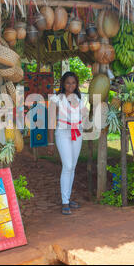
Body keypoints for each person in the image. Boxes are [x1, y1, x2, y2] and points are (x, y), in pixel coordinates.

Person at [47, 71, 85, 215]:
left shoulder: (80, 99)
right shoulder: (56, 100)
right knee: (67, 165)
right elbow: (51, 122)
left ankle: (67, 198)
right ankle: (64, 202)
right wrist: (50, 143)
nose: (71, 85)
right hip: (62, 134)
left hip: (77, 134)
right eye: (68, 82)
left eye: (73, 83)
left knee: (73, 167)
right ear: (63, 83)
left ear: (77, 84)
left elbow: (83, 116)